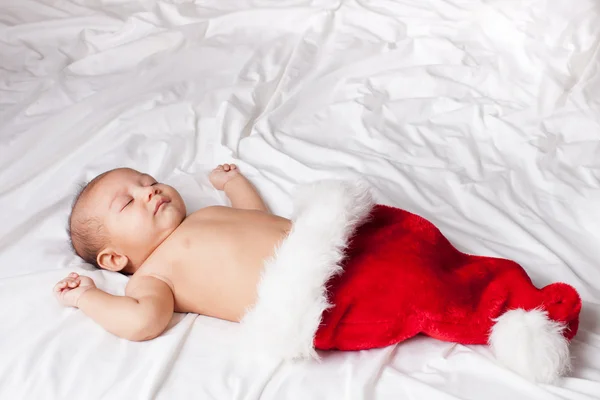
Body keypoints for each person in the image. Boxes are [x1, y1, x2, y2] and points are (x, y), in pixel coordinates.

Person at [55, 164, 581, 383]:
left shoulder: (201, 218)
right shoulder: (154, 277)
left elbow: (255, 218)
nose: (150, 189)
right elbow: (142, 322)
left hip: (334, 243)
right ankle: (515, 320)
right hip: (319, 296)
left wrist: (230, 185)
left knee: (414, 247)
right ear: (113, 261)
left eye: (147, 180)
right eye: (129, 200)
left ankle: (502, 284)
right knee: (415, 295)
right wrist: (89, 300)